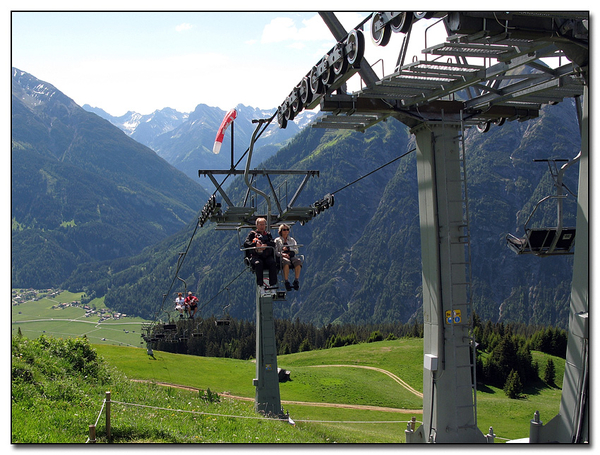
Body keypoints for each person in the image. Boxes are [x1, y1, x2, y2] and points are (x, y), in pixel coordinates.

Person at [244, 217, 278, 288]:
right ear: (257, 225)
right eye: (260, 224)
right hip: (255, 256)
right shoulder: (252, 234)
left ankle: (272, 284)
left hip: (266, 256)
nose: (262, 226)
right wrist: (255, 245)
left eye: (263, 224)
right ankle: (260, 284)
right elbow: (246, 243)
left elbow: (273, 243)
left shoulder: (268, 234)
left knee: (272, 263)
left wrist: (266, 245)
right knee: (258, 264)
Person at [275, 224, 302, 291]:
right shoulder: (277, 241)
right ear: (280, 231)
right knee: (286, 262)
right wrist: (282, 254)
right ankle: (286, 281)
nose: (286, 231)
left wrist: (289, 249)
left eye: (287, 229)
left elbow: (296, 250)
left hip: (291, 255)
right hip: (282, 257)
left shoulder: (292, 240)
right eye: (284, 230)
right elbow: (275, 252)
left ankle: (296, 280)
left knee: (298, 261)